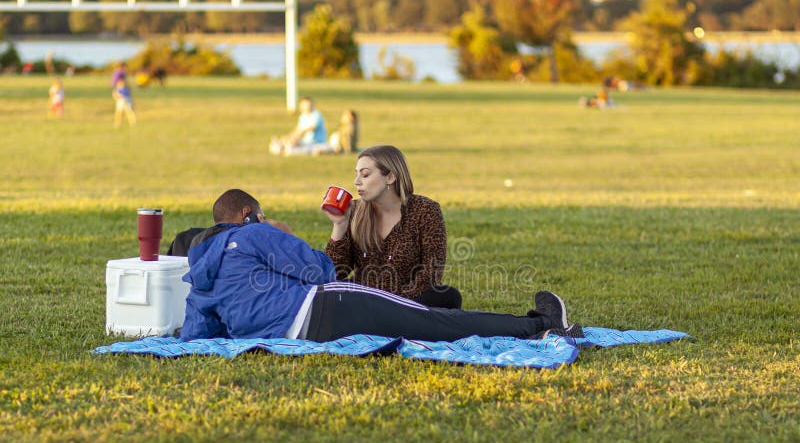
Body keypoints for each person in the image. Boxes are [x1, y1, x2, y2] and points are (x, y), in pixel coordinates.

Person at [180, 189, 583, 343]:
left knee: (428, 323)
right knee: (436, 322)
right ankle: (541, 326)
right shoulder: (252, 235)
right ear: (249, 213)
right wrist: (283, 234)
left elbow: (195, 338)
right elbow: (321, 271)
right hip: (329, 305)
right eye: (263, 215)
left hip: (301, 336)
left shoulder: (199, 275)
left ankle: (532, 328)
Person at [323, 145, 462, 309]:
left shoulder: (425, 210)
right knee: (326, 292)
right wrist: (339, 225)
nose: (357, 181)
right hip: (365, 298)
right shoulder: (354, 211)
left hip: (408, 301)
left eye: (365, 174)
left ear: (390, 177)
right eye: (356, 174)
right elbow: (333, 273)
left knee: (447, 296)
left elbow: (431, 273)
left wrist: (393, 303)